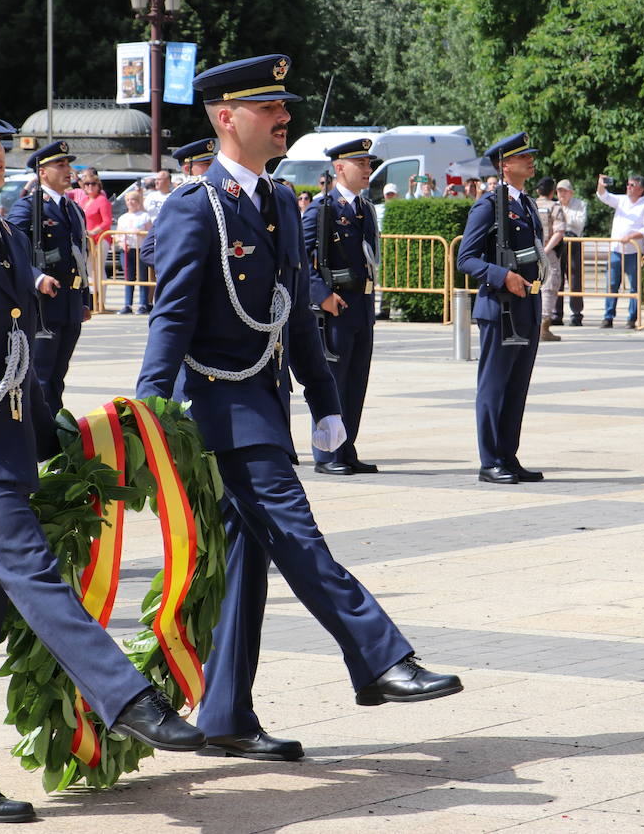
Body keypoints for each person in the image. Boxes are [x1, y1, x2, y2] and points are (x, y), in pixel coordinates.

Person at [0, 91, 204, 822]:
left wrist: (61, 437)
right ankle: (127, 699)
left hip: (5, 448)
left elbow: (22, 360)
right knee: (34, 574)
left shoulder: (3, 234)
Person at [135, 55, 461, 762]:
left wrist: (325, 401)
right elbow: (173, 318)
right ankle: (379, 658)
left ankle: (225, 716)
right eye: (268, 109)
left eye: (284, 107)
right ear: (226, 118)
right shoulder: (198, 207)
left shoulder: (282, 202)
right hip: (220, 409)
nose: (285, 119)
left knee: (247, 562)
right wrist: (147, 410)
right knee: (297, 534)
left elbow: (298, 316)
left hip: (265, 400)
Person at [458, 132, 547, 484]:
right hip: (500, 307)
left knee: (516, 386)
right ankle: (490, 460)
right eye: (522, 156)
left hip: (526, 305)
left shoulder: (524, 203)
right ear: (504, 164)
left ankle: (508, 456)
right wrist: (500, 275)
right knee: (494, 387)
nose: (530, 161)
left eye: (530, 155)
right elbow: (466, 258)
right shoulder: (488, 205)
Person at [302, 137, 383, 473]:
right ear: (339, 168)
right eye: (361, 164)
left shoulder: (364, 209)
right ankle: (327, 454)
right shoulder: (323, 210)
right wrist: (320, 294)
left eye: (368, 164)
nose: (367, 170)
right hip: (334, 308)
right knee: (332, 381)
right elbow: (300, 260)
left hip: (361, 305)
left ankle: (346, 449)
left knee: (355, 382)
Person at [4, 140, 91, 415]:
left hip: (69, 304)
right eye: (60, 164)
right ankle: (37, 433)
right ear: (42, 171)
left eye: (68, 164)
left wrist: (85, 299)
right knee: (39, 375)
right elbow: (10, 251)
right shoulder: (28, 208)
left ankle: (54, 426)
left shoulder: (72, 208)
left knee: (57, 375)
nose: (68, 169)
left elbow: (80, 256)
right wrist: (36, 277)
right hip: (43, 305)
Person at [138, 139, 215, 285]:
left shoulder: (215, 196)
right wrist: (183, 269)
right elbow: (148, 251)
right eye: (206, 164)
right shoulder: (179, 200)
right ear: (187, 169)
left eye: (213, 163)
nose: (212, 168)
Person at [596, 174, 644, 328]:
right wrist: (601, 184)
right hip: (616, 249)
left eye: (632, 185)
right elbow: (603, 196)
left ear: (641, 189)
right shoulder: (622, 200)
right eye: (628, 184)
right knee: (611, 284)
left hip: (634, 251)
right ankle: (608, 316)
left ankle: (632, 318)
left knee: (635, 287)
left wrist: (631, 236)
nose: (628, 187)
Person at [553, 179, 587, 326]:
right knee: (556, 277)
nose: (562, 194)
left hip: (573, 241)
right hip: (558, 241)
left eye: (564, 191)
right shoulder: (554, 205)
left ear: (571, 192)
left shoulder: (580, 204)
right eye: (559, 191)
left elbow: (580, 223)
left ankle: (576, 313)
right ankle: (556, 313)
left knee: (575, 278)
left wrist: (563, 218)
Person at [533, 176, 563, 341]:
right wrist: (546, 249)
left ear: (538, 190)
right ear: (552, 192)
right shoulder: (554, 207)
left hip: (530, 252)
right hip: (548, 253)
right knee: (549, 287)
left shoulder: (530, 205)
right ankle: (544, 328)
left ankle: (531, 325)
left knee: (533, 285)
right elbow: (559, 231)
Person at [115, 187, 150, 314]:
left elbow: (150, 232)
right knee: (128, 278)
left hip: (140, 249)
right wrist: (121, 243)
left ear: (138, 201)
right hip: (127, 250)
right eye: (128, 200)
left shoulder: (144, 216)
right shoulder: (123, 217)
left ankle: (143, 304)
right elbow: (118, 234)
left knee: (142, 277)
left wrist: (141, 233)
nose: (131, 202)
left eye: (134, 199)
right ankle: (127, 304)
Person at [76, 170, 112, 243]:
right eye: (87, 184)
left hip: (100, 240)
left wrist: (93, 232)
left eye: (93, 184)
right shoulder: (84, 201)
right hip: (86, 240)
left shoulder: (102, 200)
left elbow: (107, 221)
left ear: (98, 186)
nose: (90, 186)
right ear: (84, 187)